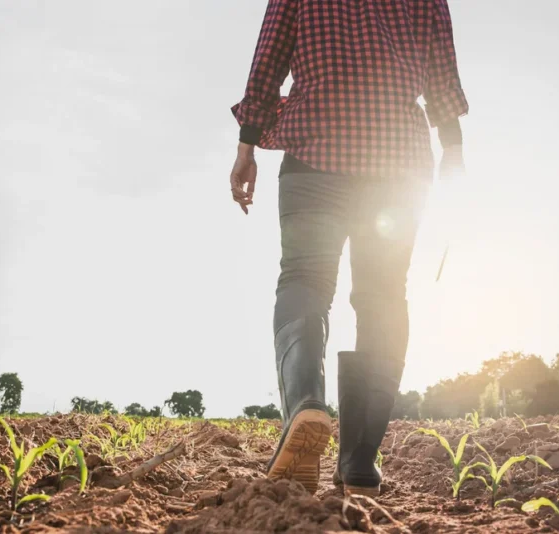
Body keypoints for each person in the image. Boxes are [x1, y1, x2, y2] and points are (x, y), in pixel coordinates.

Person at [228, 0, 468, 497]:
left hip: (314, 149)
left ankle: (306, 407)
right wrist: (454, 152)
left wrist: (246, 145)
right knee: (382, 297)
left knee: (304, 280)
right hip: (399, 160)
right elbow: (442, 76)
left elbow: (268, 61)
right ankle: (359, 459)